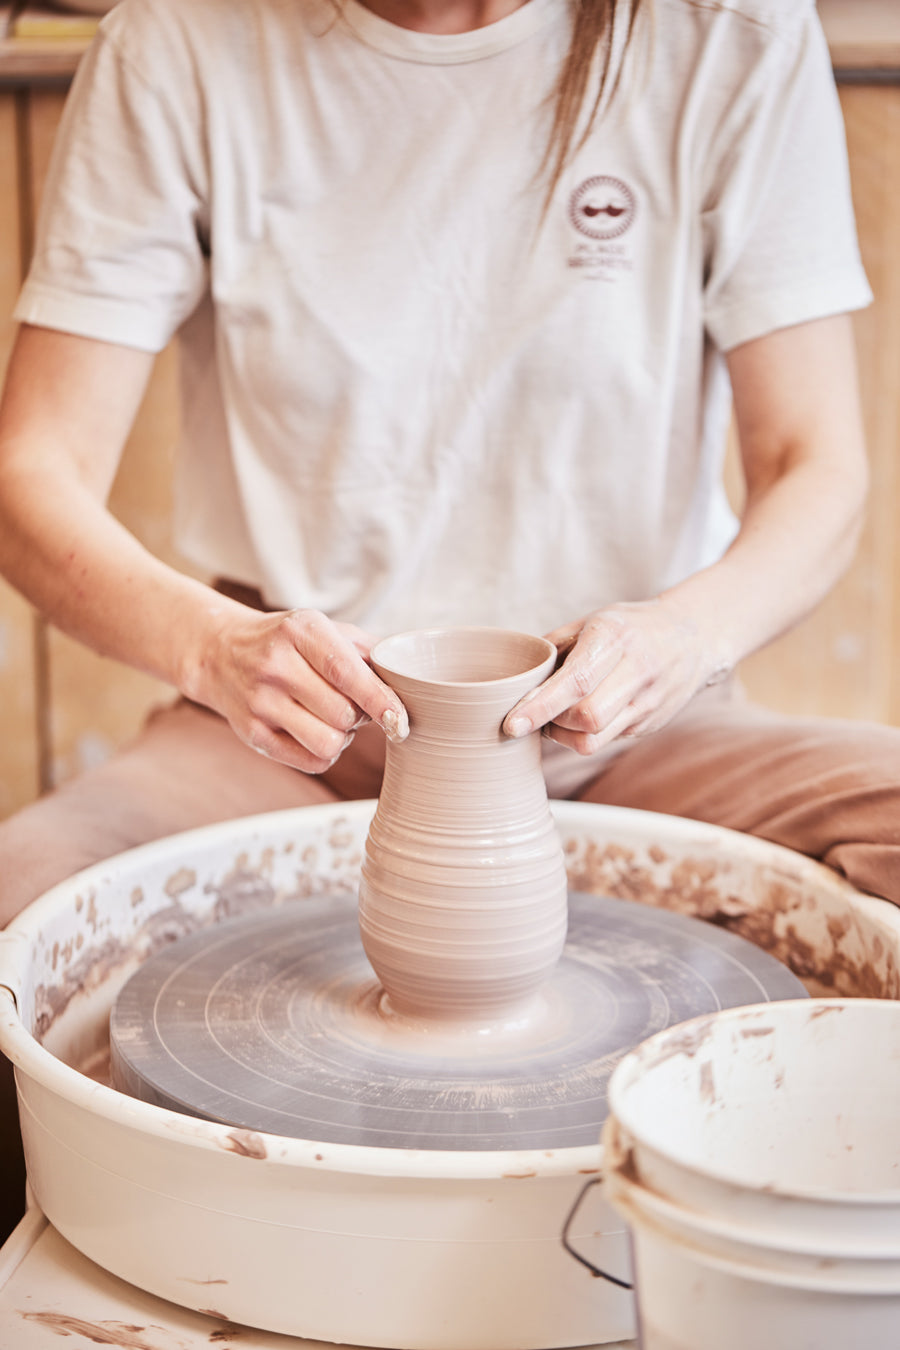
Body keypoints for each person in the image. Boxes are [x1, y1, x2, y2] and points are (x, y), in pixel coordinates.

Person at [0, 0, 898, 1236]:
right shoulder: (181, 43)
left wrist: (684, 637)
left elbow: (819, 468)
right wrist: (211, 644)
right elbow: (31, 476)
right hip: (296, 717)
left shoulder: (724, 31)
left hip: (627, 706)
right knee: (23, 907)